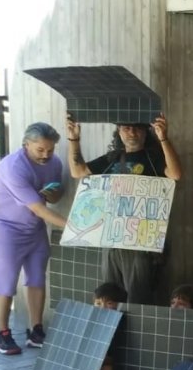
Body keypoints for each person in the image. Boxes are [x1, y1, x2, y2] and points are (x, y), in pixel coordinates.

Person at [67, 114, 182, 304]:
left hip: (142, 242)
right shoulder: (112, 159)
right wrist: (73, 139)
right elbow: (77, 171)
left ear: (146, 132)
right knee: (110, 296)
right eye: (126, 128)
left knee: (138, 297)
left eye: (137, 128)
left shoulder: (155, 158)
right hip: (112, 238)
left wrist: (163, 138)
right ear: (119, 131)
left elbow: (175, 174)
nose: (132, 133)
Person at [0, 123, 68, 355]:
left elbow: (54, 197)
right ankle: (2, 334)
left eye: (50, 150)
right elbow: (38, 208)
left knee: (37, 278)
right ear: (26, 144)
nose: (46, 155)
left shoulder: (55, 163)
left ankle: (36, 330)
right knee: (6, 281)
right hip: (6, 227)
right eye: (40, 150)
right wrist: (74, 227)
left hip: (34, 228)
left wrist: (54, 193)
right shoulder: (12, 166)